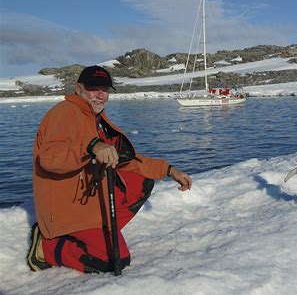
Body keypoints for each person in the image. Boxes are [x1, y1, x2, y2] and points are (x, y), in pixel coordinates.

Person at [27, 65, 192, 274]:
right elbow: (50, 158)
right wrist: (90, 147)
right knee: (115, 259)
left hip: (86, 203)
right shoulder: (64, 112)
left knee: (141, 180)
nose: (99, 95)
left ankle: (99, 233)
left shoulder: (98, 119)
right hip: (65, 209)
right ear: (79, 88)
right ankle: (45, 247)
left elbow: (127, 159)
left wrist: (169, 170)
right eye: (93, 88)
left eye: (104, 90)